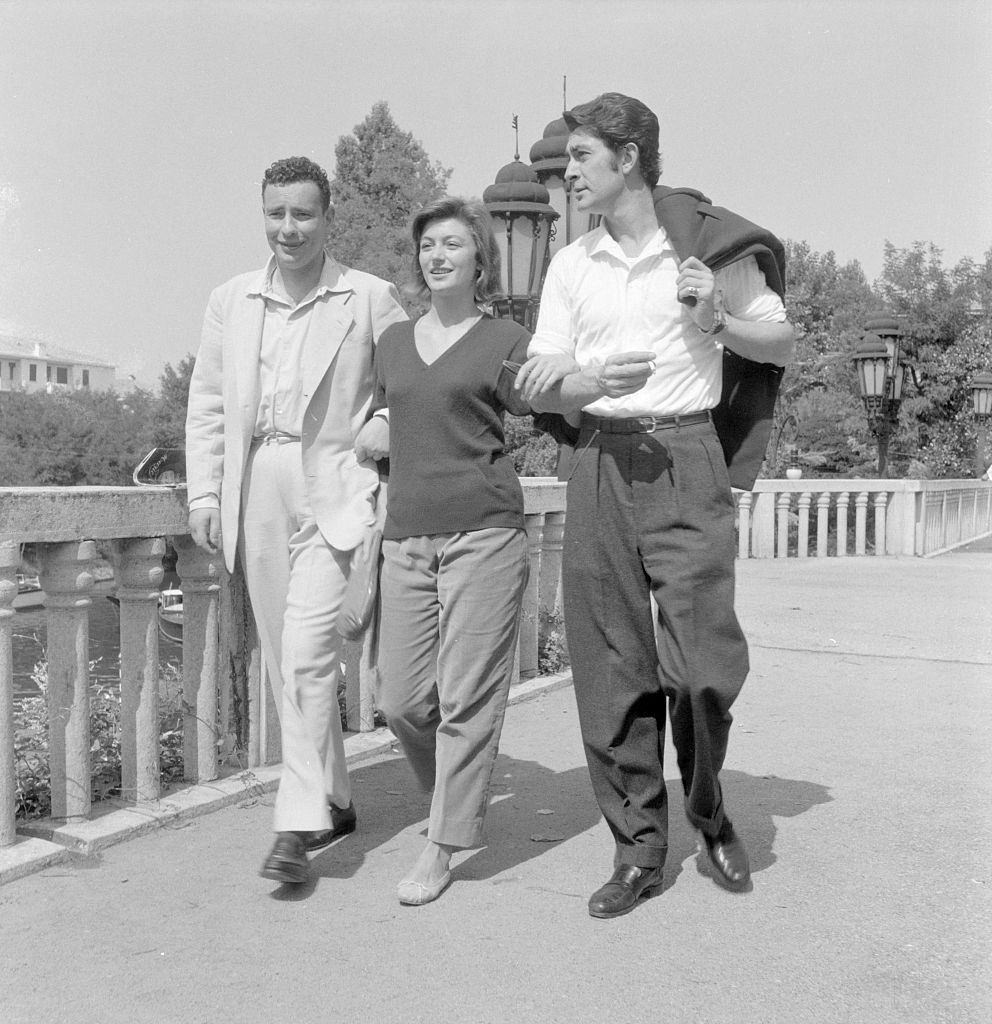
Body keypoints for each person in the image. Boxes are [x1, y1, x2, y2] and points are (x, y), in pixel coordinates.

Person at [516, 93, 795, 918]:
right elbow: (544, 373)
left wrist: (718, 320)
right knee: (609, 669)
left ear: (629, 156)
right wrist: (577, 383)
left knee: (705, 669)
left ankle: (707, 813)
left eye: (579, 157)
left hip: (685, 457)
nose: (566, 172)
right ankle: (639, 847)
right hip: (599, 460)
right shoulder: (571, 266)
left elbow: (780, 341)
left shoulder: (709, 253)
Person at [185, 156, 407, 885]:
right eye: (276, 213)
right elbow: (211, 404)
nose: (289, 228)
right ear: (263, 215)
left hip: (334, 484)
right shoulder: (231, 300)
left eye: (303, 214)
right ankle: (337, 797)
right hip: (258, 481)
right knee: (289, 658)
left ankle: (295, 823)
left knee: (310, 650)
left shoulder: (368, 298)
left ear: (328, 217)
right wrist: (206, 497)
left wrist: (381, 420)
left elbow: (413, 384)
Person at [353, 197, 531, 905]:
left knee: (466, 696)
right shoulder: (393, 342)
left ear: (479, 259)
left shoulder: (506, 338)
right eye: (429, 245)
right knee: (400, 700)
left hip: (485, 528)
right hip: (407, 532)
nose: (438, 255)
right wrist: (377, 422)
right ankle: (451, 806)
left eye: (453, 244)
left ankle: (444, 843)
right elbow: (389, 409)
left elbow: (548, 401)